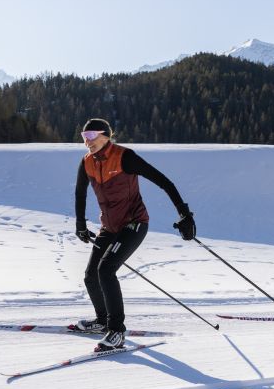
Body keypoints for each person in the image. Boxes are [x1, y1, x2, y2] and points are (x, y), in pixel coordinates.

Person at [74, 118, 196, 350]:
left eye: (91, 137)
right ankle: (102, 321)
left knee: (106, 270)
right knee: (91, 276)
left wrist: (185, 214)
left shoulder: (124, 157)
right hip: (109, 227)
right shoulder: (87, 162)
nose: (87, 142)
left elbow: (163, 181)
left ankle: (117, 331)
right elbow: (80, 193)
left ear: (106, 136)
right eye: (83, 137)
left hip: (134, 224)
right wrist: (80, 223)